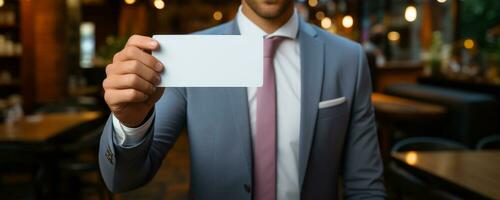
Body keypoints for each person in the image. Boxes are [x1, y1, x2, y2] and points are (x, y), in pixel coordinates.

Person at [99, 0, 386, 199]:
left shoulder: (348, 59)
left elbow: (365, 186)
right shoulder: (192, 56)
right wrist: (130, 123)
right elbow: (125, 179)